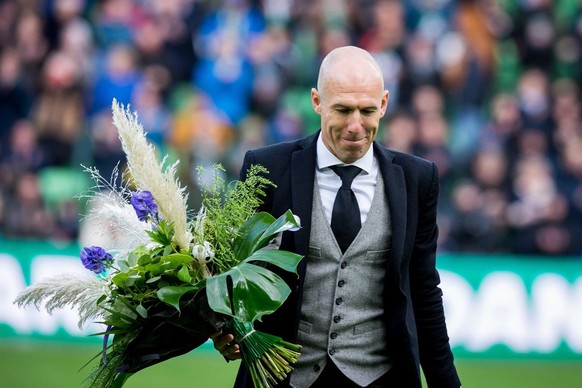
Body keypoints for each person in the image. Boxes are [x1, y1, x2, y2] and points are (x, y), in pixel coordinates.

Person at [212, 45, 461, 388]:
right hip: (282, 377)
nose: (356, 126)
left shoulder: (418, 179)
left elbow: (423, 288)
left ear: (385, 104)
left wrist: (446, 383)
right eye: (343, 110)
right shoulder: (266, 168)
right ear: (316, 101)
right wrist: (225, 328)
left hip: (382, 377)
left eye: (367, 110)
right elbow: (232, 268)